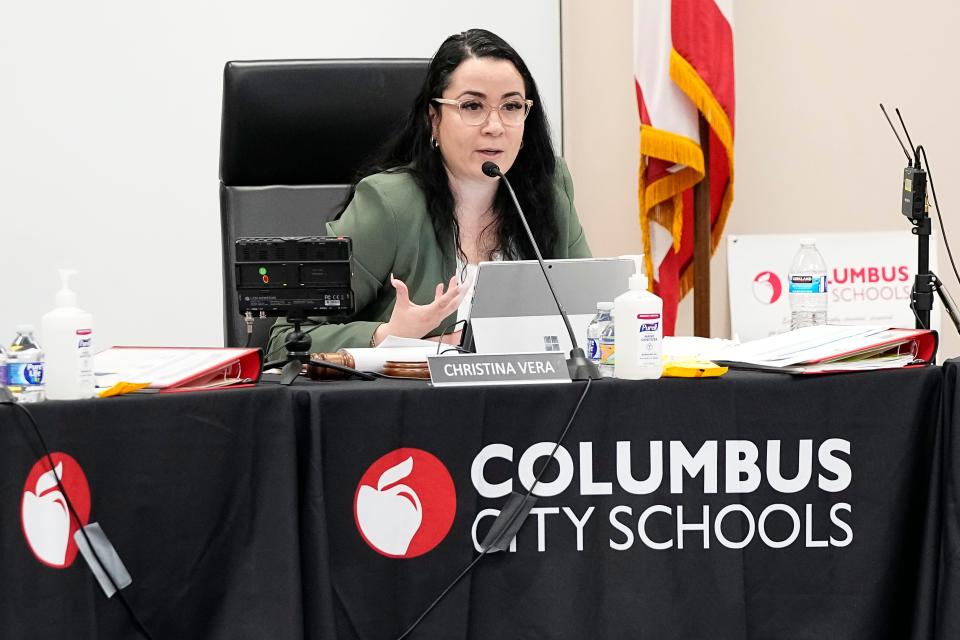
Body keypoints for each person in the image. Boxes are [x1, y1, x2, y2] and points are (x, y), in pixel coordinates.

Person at [266, 28, 591, 358]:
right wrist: (390, 335)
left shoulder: (548, 190)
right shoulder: (389, 205)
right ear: (433, 120)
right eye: (473, 105)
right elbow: (286, 339)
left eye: (511, 106)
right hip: (413, 404)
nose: (495, 126)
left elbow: (590, 315)